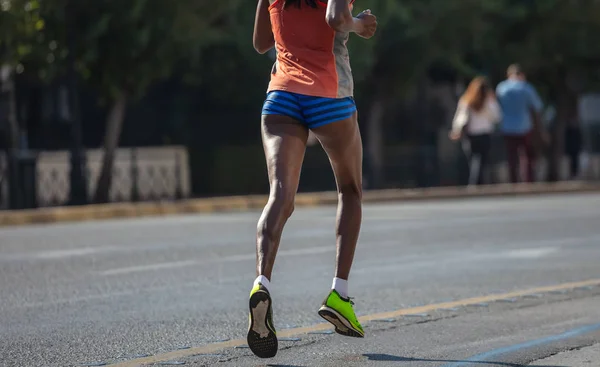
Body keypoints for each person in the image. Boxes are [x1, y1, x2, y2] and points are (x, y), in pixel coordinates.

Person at [248, 0, 378, 359]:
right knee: (350, 190)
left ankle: (262, 283)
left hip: (282, 97)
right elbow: (335, 17)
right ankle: (339, 293)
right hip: (329, 96)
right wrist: (358, 24)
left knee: (280, 195)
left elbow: (261, 43)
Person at [496, 64, 547, 183]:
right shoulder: (526, 88)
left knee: (511, 156)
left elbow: (496, 107)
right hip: (524, 127)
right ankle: (528, 180)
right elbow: (537, 108)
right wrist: (540, 129)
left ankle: (512, 181)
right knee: (527, 156)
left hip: (507, 127)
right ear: (522, 74)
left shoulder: (501, 88)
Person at [450, 76, 502, 186]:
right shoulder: (488, 102)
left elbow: (459, 118)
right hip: (483, 135)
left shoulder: (466, 100)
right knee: (480, 163)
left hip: (470, 136)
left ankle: (475, 184)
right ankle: (476, 184)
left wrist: (456, 130)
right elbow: (497, 117)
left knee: (474, 161)